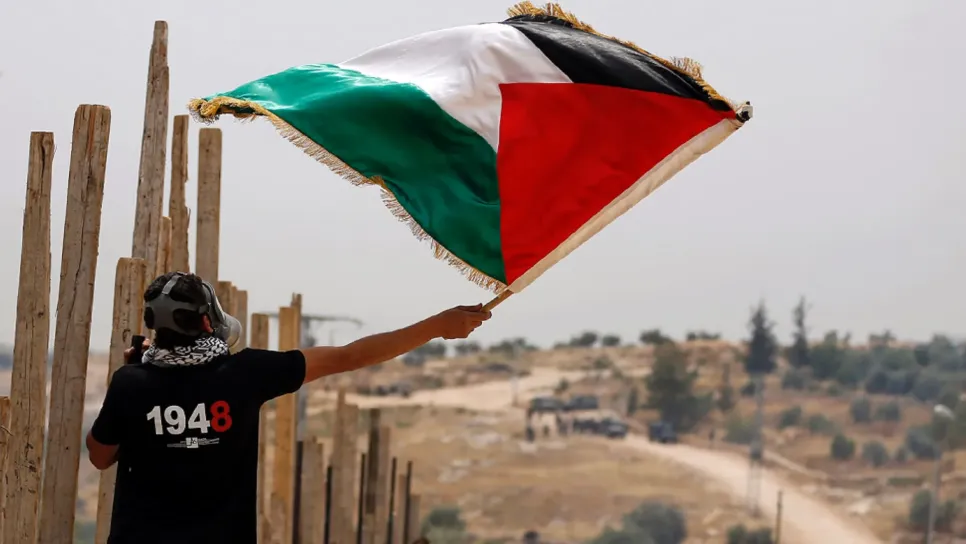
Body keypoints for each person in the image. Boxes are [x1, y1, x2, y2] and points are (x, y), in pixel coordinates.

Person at [87, 271, 490, 543]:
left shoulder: (130, 383)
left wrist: (139, 385)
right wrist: (436, 326)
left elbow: (100, 455)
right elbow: (349, 356)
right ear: (208, 322)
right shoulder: (246, 373)